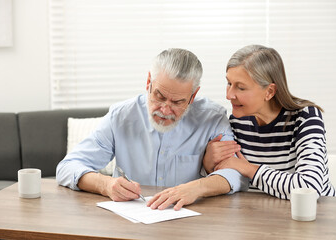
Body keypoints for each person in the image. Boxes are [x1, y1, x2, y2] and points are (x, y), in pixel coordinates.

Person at [56, 48, 249, 210]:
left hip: (187, 223)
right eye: (159, 96)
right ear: (149, 82)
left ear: (193, 96)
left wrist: (195, 188)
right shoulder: (121, 116)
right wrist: (105, 185)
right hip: (128, 222)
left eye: (177, 102)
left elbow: (236, 174)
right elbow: (67, 167)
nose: (165, 110)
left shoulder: (212, 118)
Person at [203, 45, 336, 199]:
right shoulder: (236, 122)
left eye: (241, 88)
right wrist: (208, 164)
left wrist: (248, 169)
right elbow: (230, 176)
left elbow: (310, 188)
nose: (229, 95)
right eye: (229, 83)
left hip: (315, 215)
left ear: (269, 92)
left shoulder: (305, 117)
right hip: (262, 215)